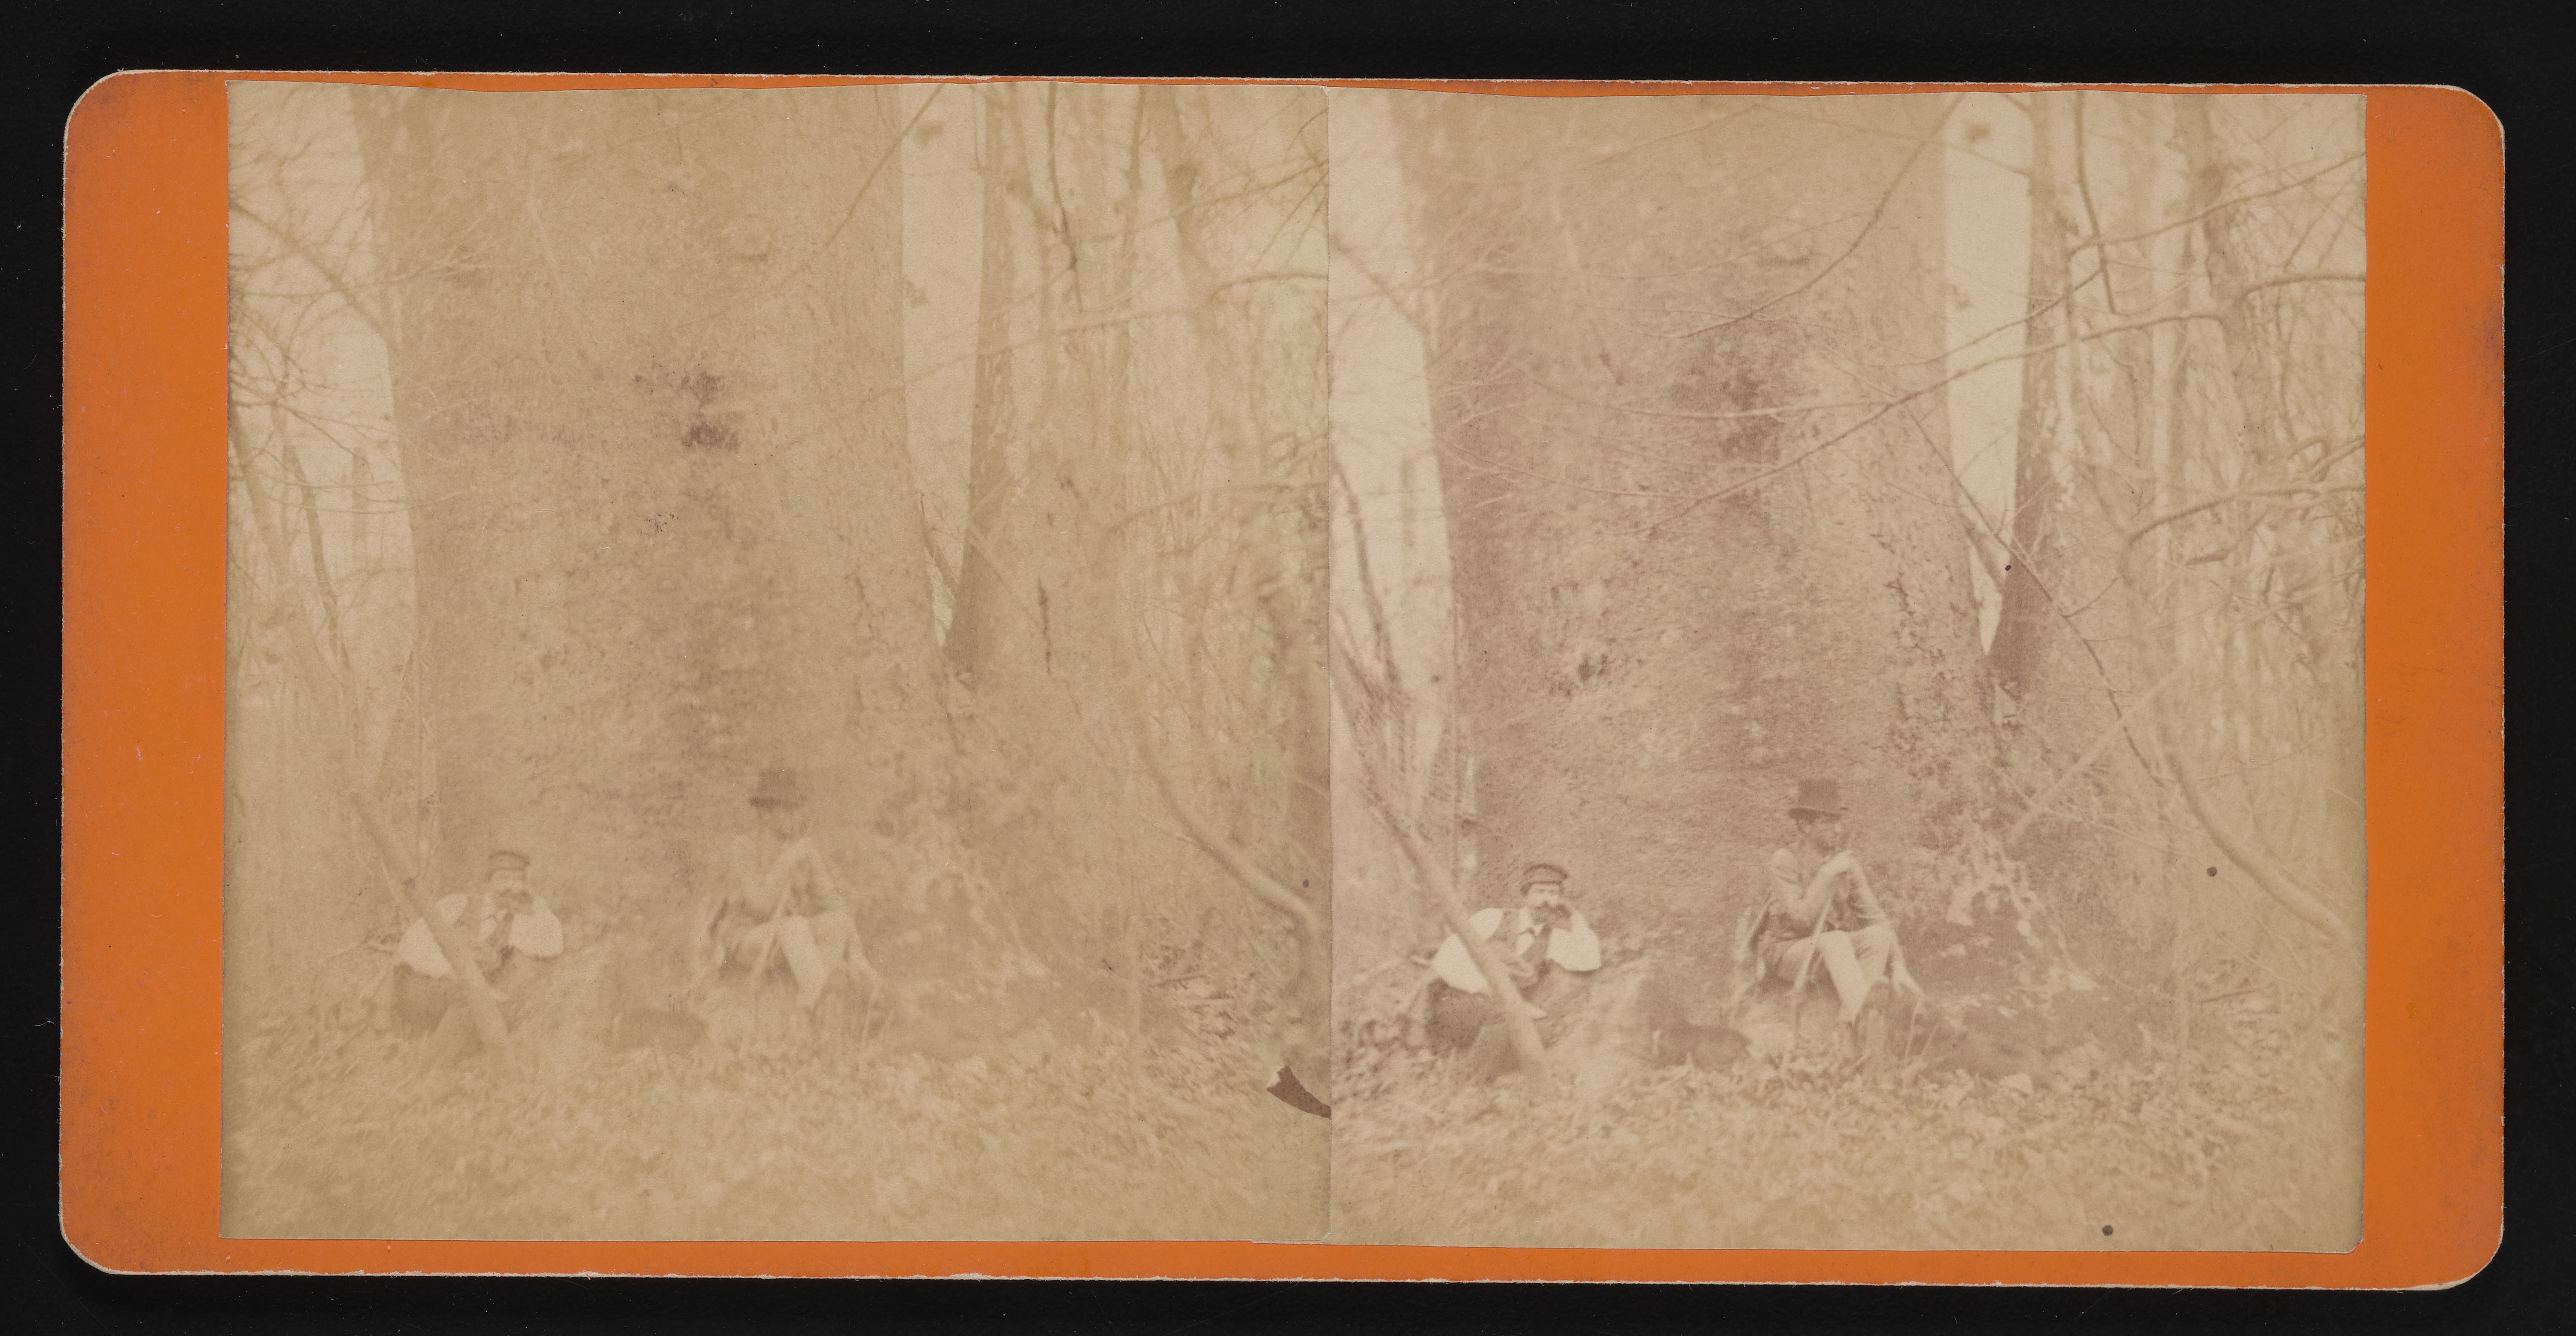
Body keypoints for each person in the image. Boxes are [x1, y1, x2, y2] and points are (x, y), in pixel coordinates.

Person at [1748, 778, 1923, 1056]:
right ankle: (1866, 1025)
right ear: (1806, 826)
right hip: (1787, 952)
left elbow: (1878, 920)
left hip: (1826, 951)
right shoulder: (1784, 861)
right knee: (1836, 939)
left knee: (1877, 938)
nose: (1839, 829)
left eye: (1838, 821)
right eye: (1828, 822)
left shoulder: (1846, 866)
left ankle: (1849, 1025)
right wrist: (1827, 875)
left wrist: (1898, 965)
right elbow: (1800, 920)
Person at [695, 767, 880, 1011]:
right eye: (786, 810)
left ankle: (809, 1001)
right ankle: (818, 995)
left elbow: (834, 904)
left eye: (796, 810)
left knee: (834, 923)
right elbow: (759, 906)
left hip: (788, 938)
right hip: (745, 939)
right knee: (796, 926)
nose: (794, 817)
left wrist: (856, 952)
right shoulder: (743, 849)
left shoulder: (804, 851)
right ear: (765, 814)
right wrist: (787, 861)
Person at [1424, 863, 1601, 1071]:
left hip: (1499, 1013)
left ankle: (1485, 1072)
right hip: (1455, 1003)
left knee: (1542, 1032)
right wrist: (1491, 992)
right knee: (1509, 1018)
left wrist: (1573, 915)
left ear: (1559, 899)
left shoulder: (1552, 938)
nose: (1545, 900)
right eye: (1539, 892)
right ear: (1525, 896)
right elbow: (1446, 961)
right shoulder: (1493, 918)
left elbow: (1590, 959)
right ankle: (1466, 1083)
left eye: (1553, 894)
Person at [376, 847, 564, 1034]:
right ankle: (431, 1061)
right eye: (502, 879)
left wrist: (537, 906)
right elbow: (413, 946)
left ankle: (436, 1061)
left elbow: (552, 946)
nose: (509, 887)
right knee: (477, 1002)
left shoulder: (514, 924)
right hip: (419, 989)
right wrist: (454, 976)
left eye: (516, 880)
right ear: (489, 882)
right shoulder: (457, 904)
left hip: (460, 999)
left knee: (490, 1010)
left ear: (524, 887)